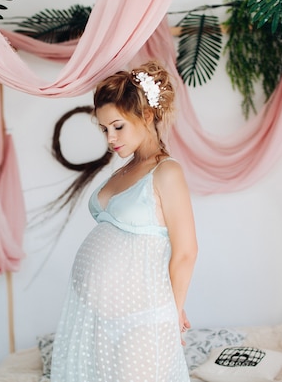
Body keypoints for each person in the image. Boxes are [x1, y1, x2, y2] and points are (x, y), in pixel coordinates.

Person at [50, 61, 198, 382]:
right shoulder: (123, 171)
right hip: (101, 322)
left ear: (146, 116)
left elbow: (185, 252)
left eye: (118, 126)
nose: (110, 138)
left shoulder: (166, 172)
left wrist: (171, 313)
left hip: (142, 321)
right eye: (104, 129)